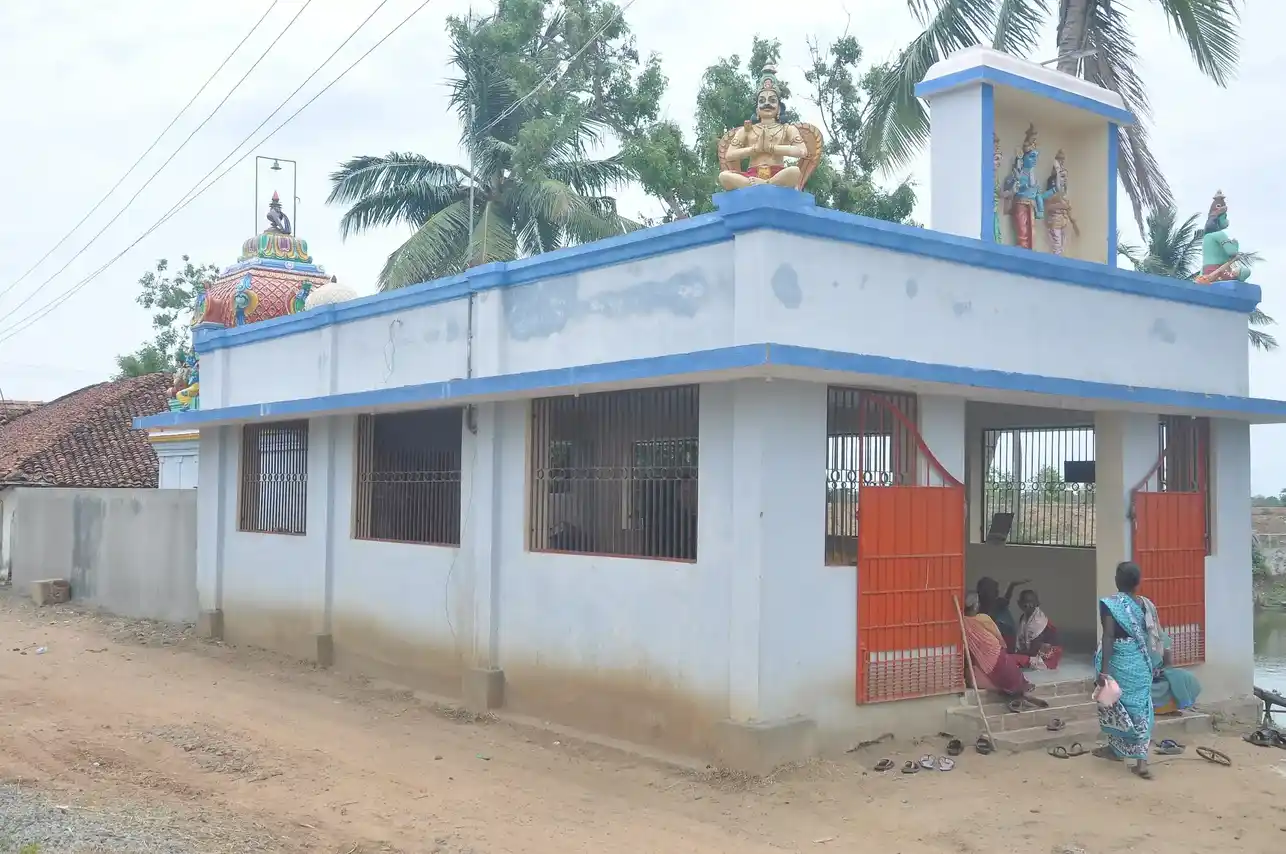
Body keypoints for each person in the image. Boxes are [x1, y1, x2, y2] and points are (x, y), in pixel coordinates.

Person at [1095, 561, 1162, 779]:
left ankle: (1116, 749)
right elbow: (1153, 635)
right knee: (1142, 711)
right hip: (1141, 664)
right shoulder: (1146, 605)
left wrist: (1104, 671)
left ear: (1117, 581)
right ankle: (1140, 761)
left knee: (1114, 706)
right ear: (1138, 582)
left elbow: (1108, 637)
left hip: (1120, 664)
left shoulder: (1111, 604)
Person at [962, 593, 1047, 706]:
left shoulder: (961, 622)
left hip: (983, 661)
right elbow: (999, 638)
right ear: (976, 605)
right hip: (996, 655)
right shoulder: (983, 618)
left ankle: (1019, 696)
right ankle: (1023, 695)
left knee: (980, 679)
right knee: (1008, 672)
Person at [1150, 614, 1202, 714]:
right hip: (1140, 677)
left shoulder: (1161, 638)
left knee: (1183, 677)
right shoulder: (1134, 640)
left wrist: (1161, 672)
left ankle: (1178, 706)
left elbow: (1168, 665)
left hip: (1158, 675)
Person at [1013, 589, 1063, 671]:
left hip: (1047, 659)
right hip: (1033, 653)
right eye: (1025, 601)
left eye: (1031, 602)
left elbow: (1033, 651)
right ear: (1019, 603)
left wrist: (1015, 654)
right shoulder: (1023, 617)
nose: (1028, 605)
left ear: (1036, 603)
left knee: (1010, 660)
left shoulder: (1038, 621)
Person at [976, 577, 1027, 651]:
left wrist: (1011, 586)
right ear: (982, 593)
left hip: (1007, 641)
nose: (997, 592)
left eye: (997, 589)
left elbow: (1006, 599)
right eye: (993, 590)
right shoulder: (979, 611)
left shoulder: (996, 602)